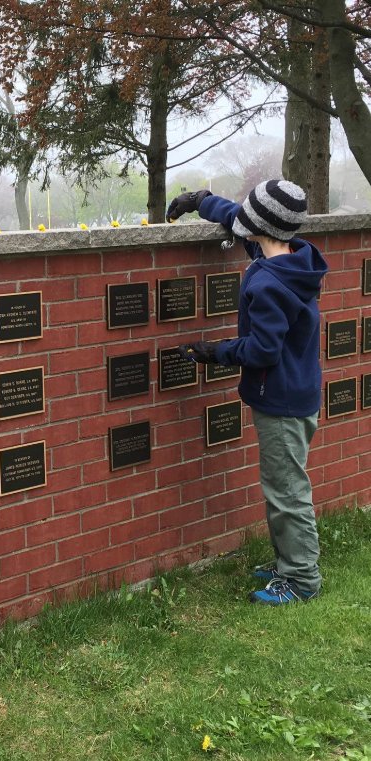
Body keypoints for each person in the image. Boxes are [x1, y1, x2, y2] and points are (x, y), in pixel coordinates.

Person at [165, 180, 328, 606]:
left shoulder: (268, 285)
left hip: (282, 402)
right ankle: (289, 562)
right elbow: (241, 219)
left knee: (286, 491)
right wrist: (203, 203)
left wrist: (214, 351)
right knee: (284, 484)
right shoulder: (294, 260)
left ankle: (301, 579)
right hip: (300, 392)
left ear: (259, 227)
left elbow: (262, 350)